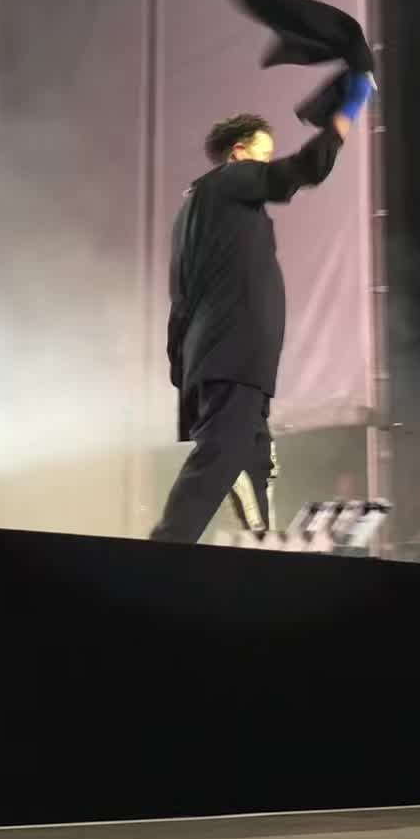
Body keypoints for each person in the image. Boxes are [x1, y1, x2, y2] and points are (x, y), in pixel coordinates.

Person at [151, 77, 373, 545]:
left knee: (254, 459)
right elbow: (304, 169)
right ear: (238, 153)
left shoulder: (196, 210)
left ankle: (260, 545)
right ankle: (166, 546)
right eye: (263, 154)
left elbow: (180, 296)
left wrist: (183, 367)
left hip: (220, 355)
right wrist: (346, 113)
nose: (267, 164)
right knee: (222, 454)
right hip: (233, 352)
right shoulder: (228, 182)